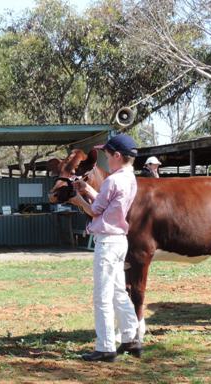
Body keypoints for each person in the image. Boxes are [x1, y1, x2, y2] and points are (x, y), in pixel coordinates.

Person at [70, 134, 141, 362]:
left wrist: (77, 199)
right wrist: (88, 191)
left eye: (108, 155)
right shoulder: (129, 178)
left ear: (117, 156)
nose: (106, 159)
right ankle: (131, 338)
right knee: (119, 291)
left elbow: (94, 211)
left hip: (107, 241)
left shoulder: (112, 180)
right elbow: (106, 202)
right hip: (120, 239)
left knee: (102, 296)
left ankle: (105, 346)